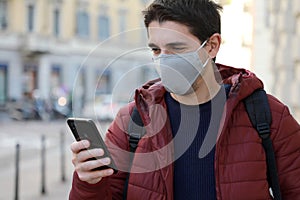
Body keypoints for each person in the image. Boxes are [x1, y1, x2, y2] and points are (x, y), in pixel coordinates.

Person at [69, 0, 300, 199]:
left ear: (211, 46)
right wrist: (89, 182)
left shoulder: (267, 114)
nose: (163, 60)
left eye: (176, 48)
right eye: (156, 50)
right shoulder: (132, 120)